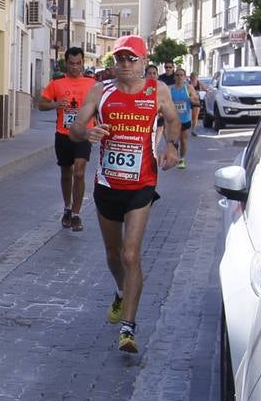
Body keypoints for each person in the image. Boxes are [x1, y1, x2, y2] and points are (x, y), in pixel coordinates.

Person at [69, 34, 181, 354]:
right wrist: (87, 132)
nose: (126, 65)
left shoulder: (157, 91)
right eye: (120, 59)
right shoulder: (100, 91)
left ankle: (128, 327)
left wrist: (171, 146)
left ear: (144, 62)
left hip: (142, 184)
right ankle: (120, 291)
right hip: (107, 185)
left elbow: (172, 121)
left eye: (132, 59)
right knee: (114, 255)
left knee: (131, 254)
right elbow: (75, 126)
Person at [37, 47, 98, 231]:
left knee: (79, 173)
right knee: (66, 173)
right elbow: (41, 105)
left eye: (78, 63)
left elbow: (101, 106)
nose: (75, 67)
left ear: (82, 63)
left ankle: (77, 214)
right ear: (66, 63)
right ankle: (67, 208)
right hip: (63, 135)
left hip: (83, 134)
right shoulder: (57, 84)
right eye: (71, 64)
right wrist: (56, 104)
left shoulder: (92, 84)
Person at [170, 68, 199, 167]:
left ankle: (181, 159)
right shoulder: (170, 89)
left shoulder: (189, 88)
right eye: (177, 75)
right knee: (174, 141)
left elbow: (197, 102)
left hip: (185, 119)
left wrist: (192, 99)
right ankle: (174, 156)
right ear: (174, 77)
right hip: (173, 120)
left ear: (185, 77)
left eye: (181, 75)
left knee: (183, 140)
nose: (179, 77)